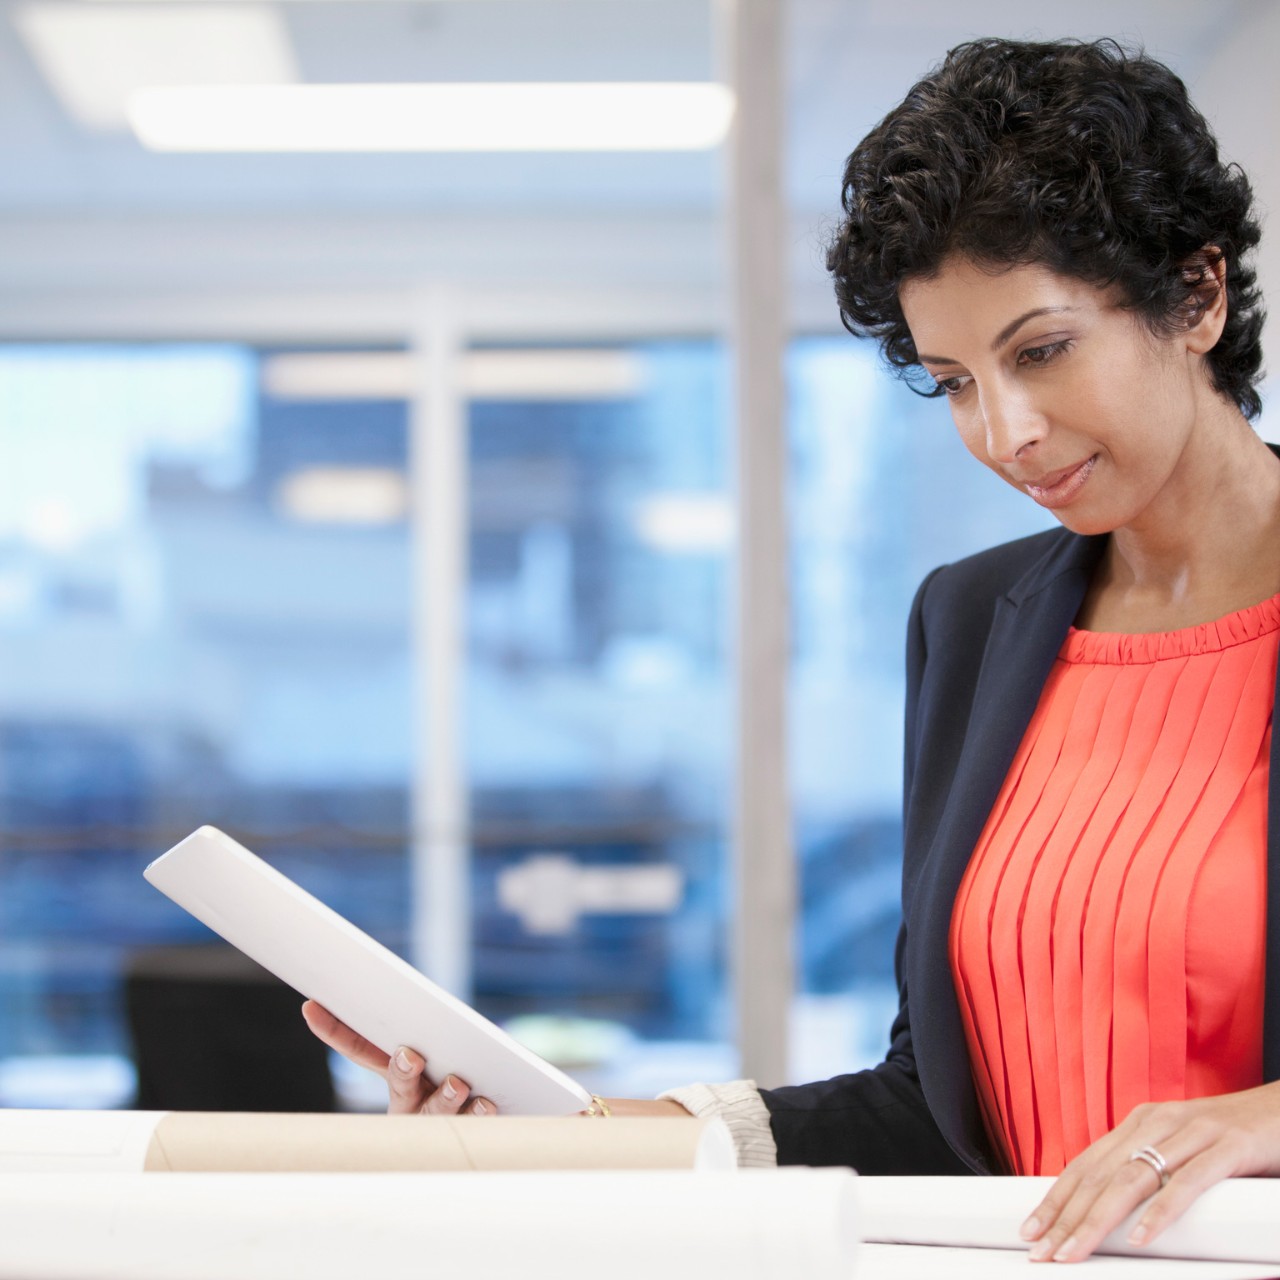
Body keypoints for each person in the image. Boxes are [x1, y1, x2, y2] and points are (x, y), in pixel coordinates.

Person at [304, 36, 1280, 1264]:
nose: (1005, 431)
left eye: (1039, 351)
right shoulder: (975, 620)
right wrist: (571, 1127)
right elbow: (929, 1105)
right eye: (951, 382)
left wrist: (1256, 1121)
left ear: (1194, 297)